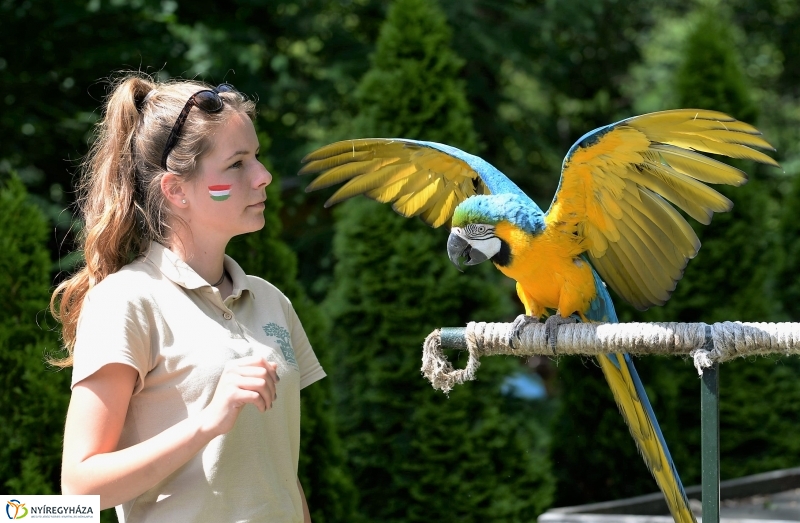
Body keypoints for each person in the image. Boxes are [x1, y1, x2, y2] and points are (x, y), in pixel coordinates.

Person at [50, 73, 325, 523]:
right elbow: (78, 489)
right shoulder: (125, 302)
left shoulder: (273, 303)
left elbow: (278, 477)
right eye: (237, 164)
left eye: (256, 157)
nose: (263, 176)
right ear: (176, 190)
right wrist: (205, 422)